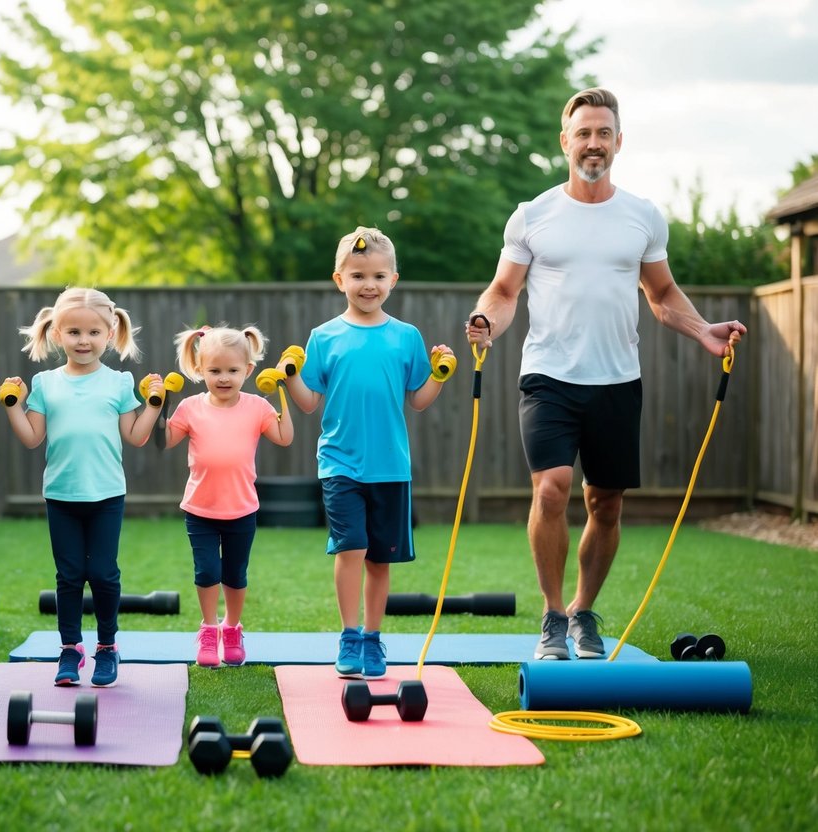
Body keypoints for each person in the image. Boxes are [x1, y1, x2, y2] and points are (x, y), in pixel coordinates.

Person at [465, 87, 746, 661]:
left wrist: (702, 331)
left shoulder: (641, 217)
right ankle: (550, 616)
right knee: (552, 487)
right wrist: (486, 322)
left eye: (603, 133)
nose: (593, 143)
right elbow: (503, 291)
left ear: (618, 142)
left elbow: (662, 294)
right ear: (564, 141)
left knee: (606, 502)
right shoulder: (533, 216)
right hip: (548, 376)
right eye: (583, 133)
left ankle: (582, 612)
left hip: (618, 379)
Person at [283, 227, 454, 679]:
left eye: (378, 275)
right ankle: (350, 635)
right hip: (340, 463)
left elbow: (417, 399)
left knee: (380, 558)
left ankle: (374, 640)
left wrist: (440, 374)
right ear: (340, 279)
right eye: (358, 275)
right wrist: (290, 376)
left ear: (393, 280)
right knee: (351, 548)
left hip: (391, 466)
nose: (369, 284)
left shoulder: (406, 336)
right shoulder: (324, 336)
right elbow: (308, 402)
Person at [1, 287, 163, 687]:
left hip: (107, 494)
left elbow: (137, 436)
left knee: (104, 574)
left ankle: (107, 648)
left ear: (109, 334)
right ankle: (70, 649)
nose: (84, 340)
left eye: (93, 332)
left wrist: (155, 406)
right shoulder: (45, 383)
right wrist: (13, 406)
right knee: (69, 575)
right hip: (61, 495)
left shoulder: (120, 382)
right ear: (57, 334)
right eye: (73, 332)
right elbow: (31, 437)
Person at [162, 324, 294, 668]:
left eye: (233, 370)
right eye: (215, 370)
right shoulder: (190, 408)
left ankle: (232, 629)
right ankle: (208, 630)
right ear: (199, 370)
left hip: (241, 509)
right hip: (200, 509)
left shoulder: (257, 407)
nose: (224, 377)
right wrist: (160, 402)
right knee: (206, 572)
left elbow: (284, 438)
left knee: (235, 574)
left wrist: (281, 393)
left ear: (248, 371)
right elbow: (165, 441)